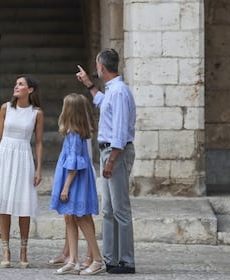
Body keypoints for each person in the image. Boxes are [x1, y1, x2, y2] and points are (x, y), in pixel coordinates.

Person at [75, 48, 136, 274]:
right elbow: (103, 104)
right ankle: (111, 258)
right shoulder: (112, 90)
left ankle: (126, 261)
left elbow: (119, 130)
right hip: (108, 152)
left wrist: (111, 161)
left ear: (101, 66)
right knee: (109, 209)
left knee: (120, 208)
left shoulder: (119, 91)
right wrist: (90, 85)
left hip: (114, 152)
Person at [0, 75, 44, 269]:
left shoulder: (36, 113)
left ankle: (23, 249)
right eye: (16, 83)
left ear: (30, 90)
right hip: (5, 155)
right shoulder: (6, 108)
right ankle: (5, 250)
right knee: (4, 203)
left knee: (23, 204)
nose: (16, 86)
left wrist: (39, 169)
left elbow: (38, 142)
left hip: (23, 157)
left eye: (21, 84)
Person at [49, 93, 105, 275]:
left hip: (75, 180)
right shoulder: (76, 133)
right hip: (76, 178)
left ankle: (97, 258)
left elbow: (74, 164)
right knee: (70, 216)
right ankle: (72, 259)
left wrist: (65, 186)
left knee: (81, 217)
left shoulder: (74, 134)